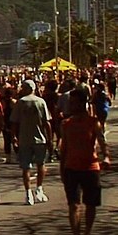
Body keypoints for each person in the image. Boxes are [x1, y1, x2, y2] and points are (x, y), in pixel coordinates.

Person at [59, 88, 111, 235]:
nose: (71, 106)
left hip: (90, 169)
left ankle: (87, 231)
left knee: (90, 204)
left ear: (82, 103)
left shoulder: (93, 122)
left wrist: (106, 157)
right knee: (73, 205)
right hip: (71, 169)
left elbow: (102, 141)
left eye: (74, 103)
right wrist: (62, 169)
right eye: (70, 103)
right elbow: (64, 149)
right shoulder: (66, 124)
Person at [11, 79, 52, 205]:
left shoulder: (20, 102)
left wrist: (14, 136)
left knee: (26, 167)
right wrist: (50, 139)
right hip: (39, 138)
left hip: (25, 138)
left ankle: (28, 192)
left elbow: (14, 122)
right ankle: (39, 188)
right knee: (41, 164)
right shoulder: (41, 102)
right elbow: (47, 122)